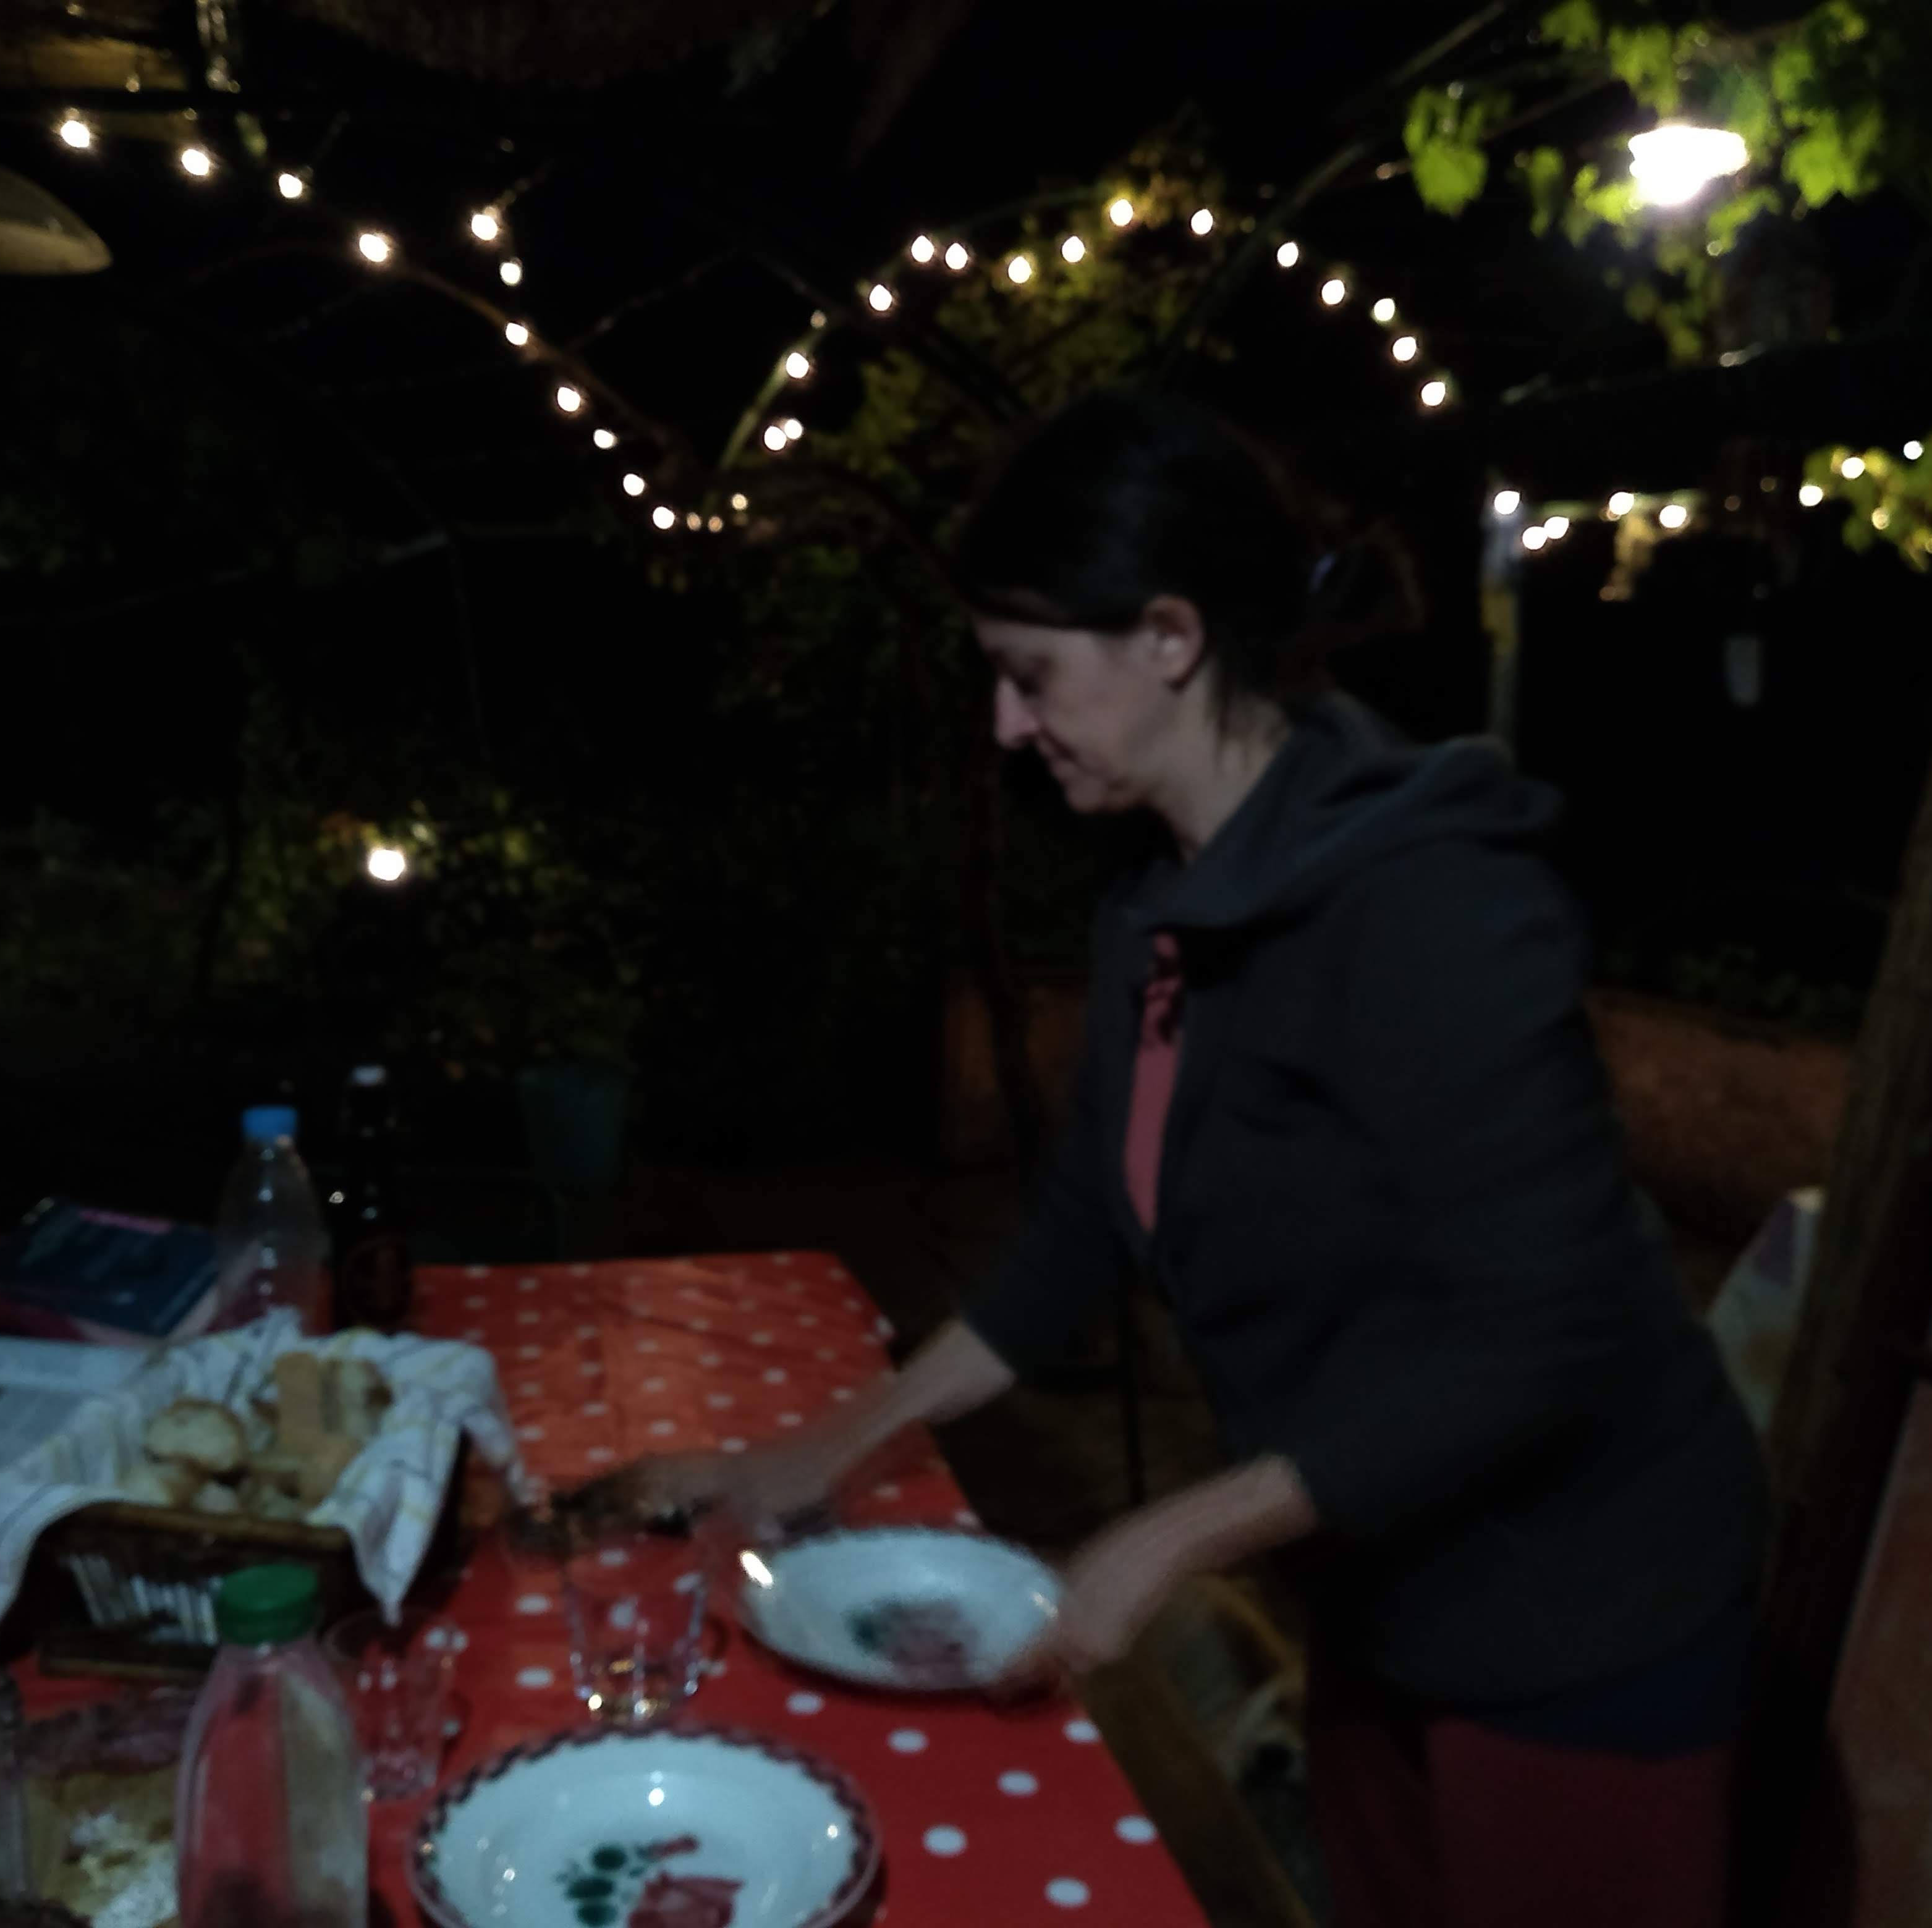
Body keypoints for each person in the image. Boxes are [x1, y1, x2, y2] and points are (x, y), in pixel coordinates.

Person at [634, 391, 1768, 1927]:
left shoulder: (1430, 903)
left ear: (1170, 636)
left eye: (1031, 675)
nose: (1008, 726)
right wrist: (831, 1444)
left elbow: (1544, 1332)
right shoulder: (1162, 912)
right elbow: (1080, 1233)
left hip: (1583, 1612)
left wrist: (1174, 1536)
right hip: (1383, 1579)